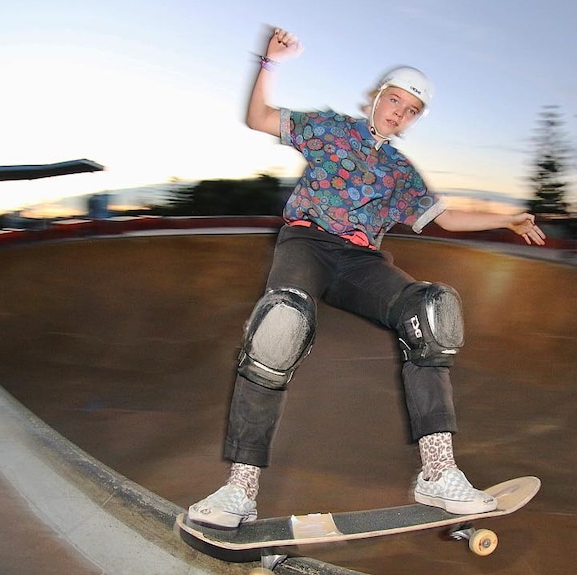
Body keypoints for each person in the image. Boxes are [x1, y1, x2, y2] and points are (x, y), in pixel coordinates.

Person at [189, 27, 546, 528]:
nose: (398, 113)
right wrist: (268, 64)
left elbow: (444, 219)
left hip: (360, 263)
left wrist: (505, 219)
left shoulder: (402, 172)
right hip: (306, 244)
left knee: (431, 313)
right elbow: (259, 118)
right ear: (377, 98)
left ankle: (438, 474)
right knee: (278, 329)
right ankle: (240, 490)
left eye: (410, 110)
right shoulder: (330, 129)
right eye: (393, 101)